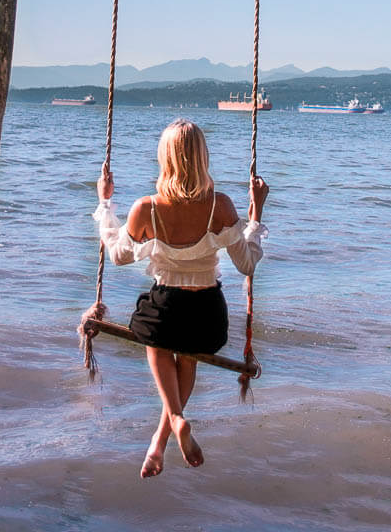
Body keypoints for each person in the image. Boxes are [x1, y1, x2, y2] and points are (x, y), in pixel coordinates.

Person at [93, 118, 269, 478]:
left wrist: (106, 203)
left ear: (165, 158)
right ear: (203, 157)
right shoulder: (220, 206)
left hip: (166, 310)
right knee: (187, 357)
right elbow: (246, 264)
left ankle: (173, 420)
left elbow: (118, 255)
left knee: (154, 336)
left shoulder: (147, 208)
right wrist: (255, 215)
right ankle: (160, 440)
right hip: (207, 315)